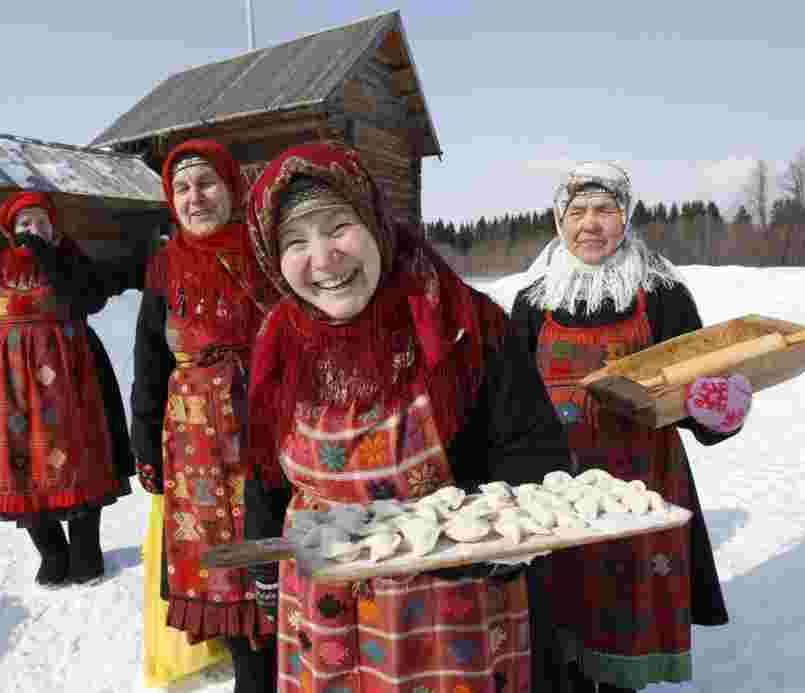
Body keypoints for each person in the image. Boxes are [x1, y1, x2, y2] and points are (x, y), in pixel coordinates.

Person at [242, 143, 573, 693]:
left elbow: (532, 452)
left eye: (339, 227)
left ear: (375, 223)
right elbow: (263, 472)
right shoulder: (276, 345)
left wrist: (483, 550)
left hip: (448, 605)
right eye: (294, 242)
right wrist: (263, 574)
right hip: (322, 605)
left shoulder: (462, 324)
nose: (323, 258)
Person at [510, 162, 750, 692]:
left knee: (624, 627)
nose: (590, 223)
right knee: (558, 632)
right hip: (558, 496)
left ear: (626, 217)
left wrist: (719, 411)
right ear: (558, 220)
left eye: (605, 209)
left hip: (645, 492)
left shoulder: (662, 294)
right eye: (577, 211)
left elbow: (696, 393)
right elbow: (512, 407)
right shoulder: (532, 302)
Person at [131, 139, 280, 691]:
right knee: (219, 566)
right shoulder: (164, 270)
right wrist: (144, 446)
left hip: (264, 426)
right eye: (182, 188)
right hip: (193, 446)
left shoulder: (266, 254)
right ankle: (249, 671)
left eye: (207, 183)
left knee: (275, 554)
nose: (196, 198)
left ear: (231, 188)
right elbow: (148, 364)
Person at [0, 191, 134, 586]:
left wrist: (49, 256)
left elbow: (91, 298)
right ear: (10, 233)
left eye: (41, 224)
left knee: (80, 459)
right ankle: (52, 552)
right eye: (24, 225)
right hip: (9, 388)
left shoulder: (69, 261)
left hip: (71, 379)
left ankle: (85, 551)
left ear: (54, 229)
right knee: (20, 467)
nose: (33, 231)